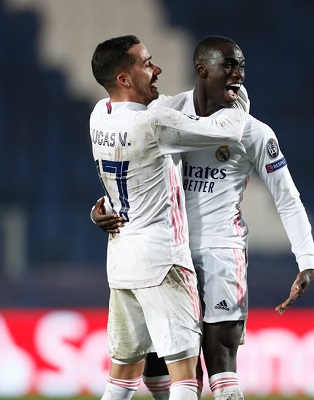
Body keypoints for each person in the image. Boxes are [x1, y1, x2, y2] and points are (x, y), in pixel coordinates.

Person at [92, 36, 314, 400]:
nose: (238, 75)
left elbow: (288, 198)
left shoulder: (258, 134)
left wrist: (306, 258)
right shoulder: (167, 112)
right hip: (167, 254)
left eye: (241, 66)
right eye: (229, 66)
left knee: (221, 368)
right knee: (159, 370)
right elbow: (131, 165)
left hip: (219, 253)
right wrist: (101, 206)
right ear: (202, 70)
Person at [89, 35, 248, 400]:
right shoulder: (155, 123)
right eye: (146, 63)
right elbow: (232, 131)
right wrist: (237, 95)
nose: (156, 69)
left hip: (122, 262)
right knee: (184, 376)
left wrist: (99, 211)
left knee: (122, 376)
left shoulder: (99, 114)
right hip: (164, 263)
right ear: (125, 80)